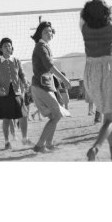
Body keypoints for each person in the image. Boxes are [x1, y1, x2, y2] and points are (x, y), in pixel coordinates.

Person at [81, 0, 112, 161]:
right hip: (108, 68)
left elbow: (83, 15)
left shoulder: (84, 28)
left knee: (108, 113)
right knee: (110, 117)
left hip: (90, 71)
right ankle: (95, 148)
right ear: (107, 12)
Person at [30, 21, 72, 153]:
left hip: (46, 85)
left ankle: (48, 143)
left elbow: (48, 72)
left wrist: (56, 89)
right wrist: (64, 79)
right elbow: (50, 67)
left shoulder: (45, 46)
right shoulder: (41, 46)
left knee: (56, 115)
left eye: (50, 31)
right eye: (45, 31)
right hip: (40, 86)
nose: (49, 33)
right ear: (40, 34)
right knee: (57, 114)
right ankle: (40, 145)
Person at [0, 38, 32, 149]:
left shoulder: (17, 60)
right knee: (7, 118)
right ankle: (6, 142)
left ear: (12, 48)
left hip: (17, 91)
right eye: (5, 46)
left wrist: (25, 81)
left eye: (9, 46)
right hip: (4, 94)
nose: (7, 48)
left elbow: (21, 74)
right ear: (0, 49)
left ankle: (24, 138)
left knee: (24, 115)